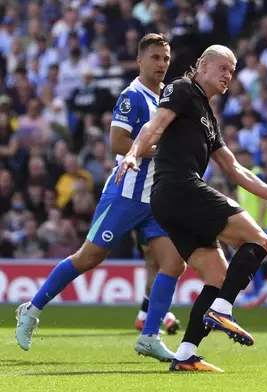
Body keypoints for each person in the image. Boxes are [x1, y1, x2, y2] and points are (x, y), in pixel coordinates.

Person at [115, 44, 267, 372]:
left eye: (232, 72)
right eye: (223, 68)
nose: (227, 77)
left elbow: (234, 169)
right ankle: (222, 309)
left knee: (218, 276)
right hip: (180, 188)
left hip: (169, 201)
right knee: (260, 241)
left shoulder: (207, 116)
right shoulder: (182, 88)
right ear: (202, 65)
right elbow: (155, 126)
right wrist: (134, 153)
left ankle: (186, 355)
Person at [16, 34, 185, 362]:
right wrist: (164, 150)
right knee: (88, 258)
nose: (162, 64)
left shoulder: (167, 97)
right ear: (140, 60)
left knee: (173, 263)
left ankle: (149, 335)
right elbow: (118, 143)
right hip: (125, 194)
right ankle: (31, 309)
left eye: (165, 58)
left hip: (155, 198)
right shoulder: (132, 97)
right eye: (155, 58)